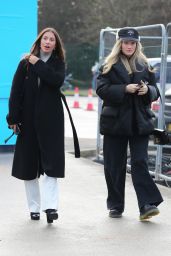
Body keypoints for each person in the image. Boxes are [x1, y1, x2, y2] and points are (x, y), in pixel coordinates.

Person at [96, 27, 163, 221]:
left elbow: (155, 90)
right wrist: (124, 88)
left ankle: (147, 205)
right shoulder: (108, 65)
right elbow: (101, 89)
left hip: (139, 123)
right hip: (115, 123)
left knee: (140, 162)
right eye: (126, 42)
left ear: (137, 44)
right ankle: (116, 205)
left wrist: (147, 91)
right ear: (119, 44)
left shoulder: (144, 64)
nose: (129, 46)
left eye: (132, 43)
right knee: (113, 165)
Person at [7, 27, 67, 223]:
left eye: (52, 40)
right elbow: (15, 92)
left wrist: (38, 62)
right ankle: (34, 208)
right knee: (29, 165)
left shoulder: (58, 64)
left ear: (56, 45)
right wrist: (13, 119)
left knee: (52, 165)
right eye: (45, 38)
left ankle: (51, 208)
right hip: (28, 121)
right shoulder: (24, 64)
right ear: (40, 41)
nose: (48, 42)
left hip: (52, 122)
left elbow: (55, 80)